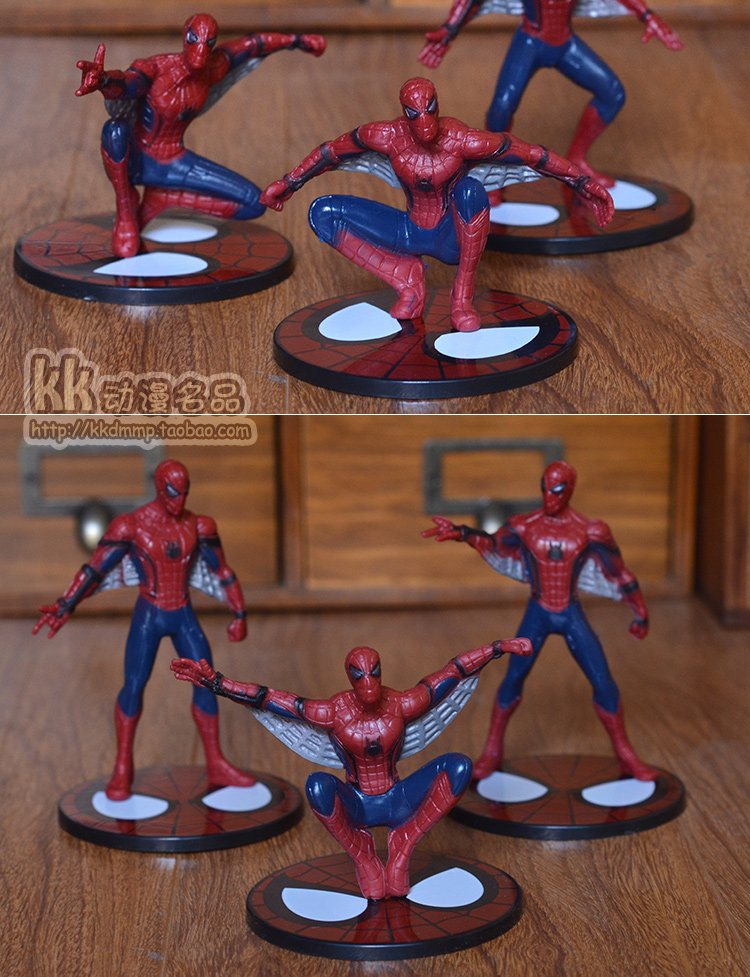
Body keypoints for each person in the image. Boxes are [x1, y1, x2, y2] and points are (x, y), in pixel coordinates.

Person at [172, 637, 532, 898]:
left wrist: (497, 648)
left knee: (459, 767)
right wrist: (218, 683)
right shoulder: (333, 712)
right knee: (317, 786)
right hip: (357, 803)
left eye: (374, 673)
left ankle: (404, 842)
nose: (369, 683)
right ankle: (363, 855)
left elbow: (452, 672)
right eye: (360, 675)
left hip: (399, 798)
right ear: (350, 678)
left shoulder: (401, 704)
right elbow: (271, 699)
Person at [261, 76, 613, 332]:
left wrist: (582, 183)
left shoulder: (463, 140)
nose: (424, 122)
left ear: (437, 106)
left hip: (451, 236)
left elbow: (532, 154)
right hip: (409, 229)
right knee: (323, 213)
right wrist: (290, 182)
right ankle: (405, 279)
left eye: (429, 110)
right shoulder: (385, 136)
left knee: (471, 191)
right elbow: (331, 151)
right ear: (404, 113)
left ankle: (461, 298)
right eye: (414, 113)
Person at [423, 460, 658, 781]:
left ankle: (626, 756)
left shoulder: (591, 531)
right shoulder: (525, 526)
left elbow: (619, 573)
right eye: (544, 488)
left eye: (557, 490)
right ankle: (492, 752)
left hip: (570, 612)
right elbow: (494, 543)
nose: (549, 496)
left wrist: (640, 610)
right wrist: (463, 533)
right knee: (513, 679)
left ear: (570, 490)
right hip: (539, 610)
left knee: (603, 682)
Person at [34, 459, 253, 800]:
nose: (179, 501)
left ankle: (216, 763)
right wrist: (66, 604)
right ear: (159, 487)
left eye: (184, 493)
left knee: (208, 683)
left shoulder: (200, 525)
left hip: (182, 613)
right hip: (149, 614)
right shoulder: (130, 526)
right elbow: (95, 569)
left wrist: (238, 612)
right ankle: (122, 768)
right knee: (134, 686)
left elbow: (222, 571)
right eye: (172, 493)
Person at [75, 14, 325, 255]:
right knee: (114, 129)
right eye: (194, 39)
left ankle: (165, 198)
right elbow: (129, 83)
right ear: (185, 38)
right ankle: (126, 210)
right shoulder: (156, 68)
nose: (201, 49)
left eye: (209, 42)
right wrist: (104, 80)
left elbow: (254, 44)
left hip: (175, 160)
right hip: (136, 158)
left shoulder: (213, 68)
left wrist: (298, 40)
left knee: (254, 204)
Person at [418, 0, 682, 185]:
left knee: (613, 94)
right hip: (530, 42)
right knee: (502, 107)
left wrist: (648, 15)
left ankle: (578, 158)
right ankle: (492, 170)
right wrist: (451, 29)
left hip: (564, 44)